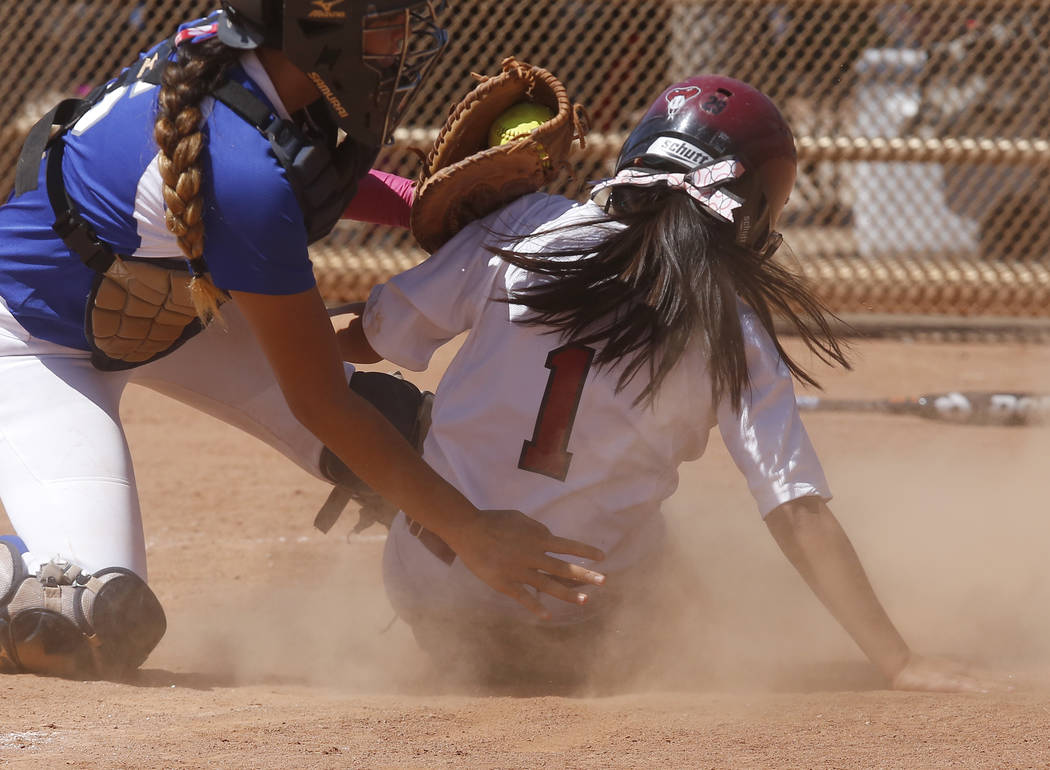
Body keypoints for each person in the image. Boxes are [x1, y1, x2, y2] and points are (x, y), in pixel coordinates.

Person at [337, 75, 1009, 692]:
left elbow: (368, 341)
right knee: (673, 559)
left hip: (433, 593)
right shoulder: (731, 329)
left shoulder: (524, 226)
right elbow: (796, 509)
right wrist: (898, 659)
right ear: (751, 210)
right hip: (579, 634)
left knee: (410, 418)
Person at [0, 0, 605, 679]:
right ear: (314, 27)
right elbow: (319, 399)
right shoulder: (240, 172)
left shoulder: (244, 65)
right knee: (97, 624)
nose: (404, 37)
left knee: (408, 435)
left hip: (169, 316)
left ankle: (494, 625)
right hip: (29, 343)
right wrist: (471, 533)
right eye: (383, 18)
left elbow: (299, 168)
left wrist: (415, 201)